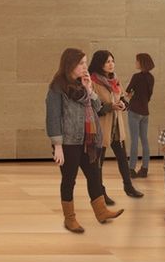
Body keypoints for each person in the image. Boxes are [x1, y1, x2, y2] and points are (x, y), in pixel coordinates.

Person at [46, 48, 124, 233]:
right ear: (70, 64)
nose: (84, 67)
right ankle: (70, 219)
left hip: (88, 140)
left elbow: (97, 108)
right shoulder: (57, 87)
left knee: (94, 175)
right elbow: (53, 117)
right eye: (81, 63)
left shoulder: (83, 85)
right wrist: (57, 146)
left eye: (85, 63)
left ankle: (101, 211)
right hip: (69, 142)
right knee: (69, 180)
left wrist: (89, 90)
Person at [89, 50, 143, 201]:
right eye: (107, 61)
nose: (111, 64)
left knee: (122, 160)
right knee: (98, 164)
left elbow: (123, 99)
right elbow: (92, 108)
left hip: (116, 128)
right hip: (101, 129)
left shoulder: (115, 80)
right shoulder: (92, 81)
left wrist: (123, 104)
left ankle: (128, 186)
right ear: (99, 63)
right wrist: (111, 106)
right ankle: (101, 193)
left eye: (112, 61)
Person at [125, 53, 156, 178]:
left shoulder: (136, 77)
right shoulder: (151, 78)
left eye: (137, 61)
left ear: (141, 63)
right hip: (145, 112)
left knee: (134, 141)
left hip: (134, 111)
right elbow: (149, 96)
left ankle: (131, 169)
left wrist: (131, 96)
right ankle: (144, 168)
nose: (135, 63)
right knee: (144, 140)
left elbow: (127, 92)